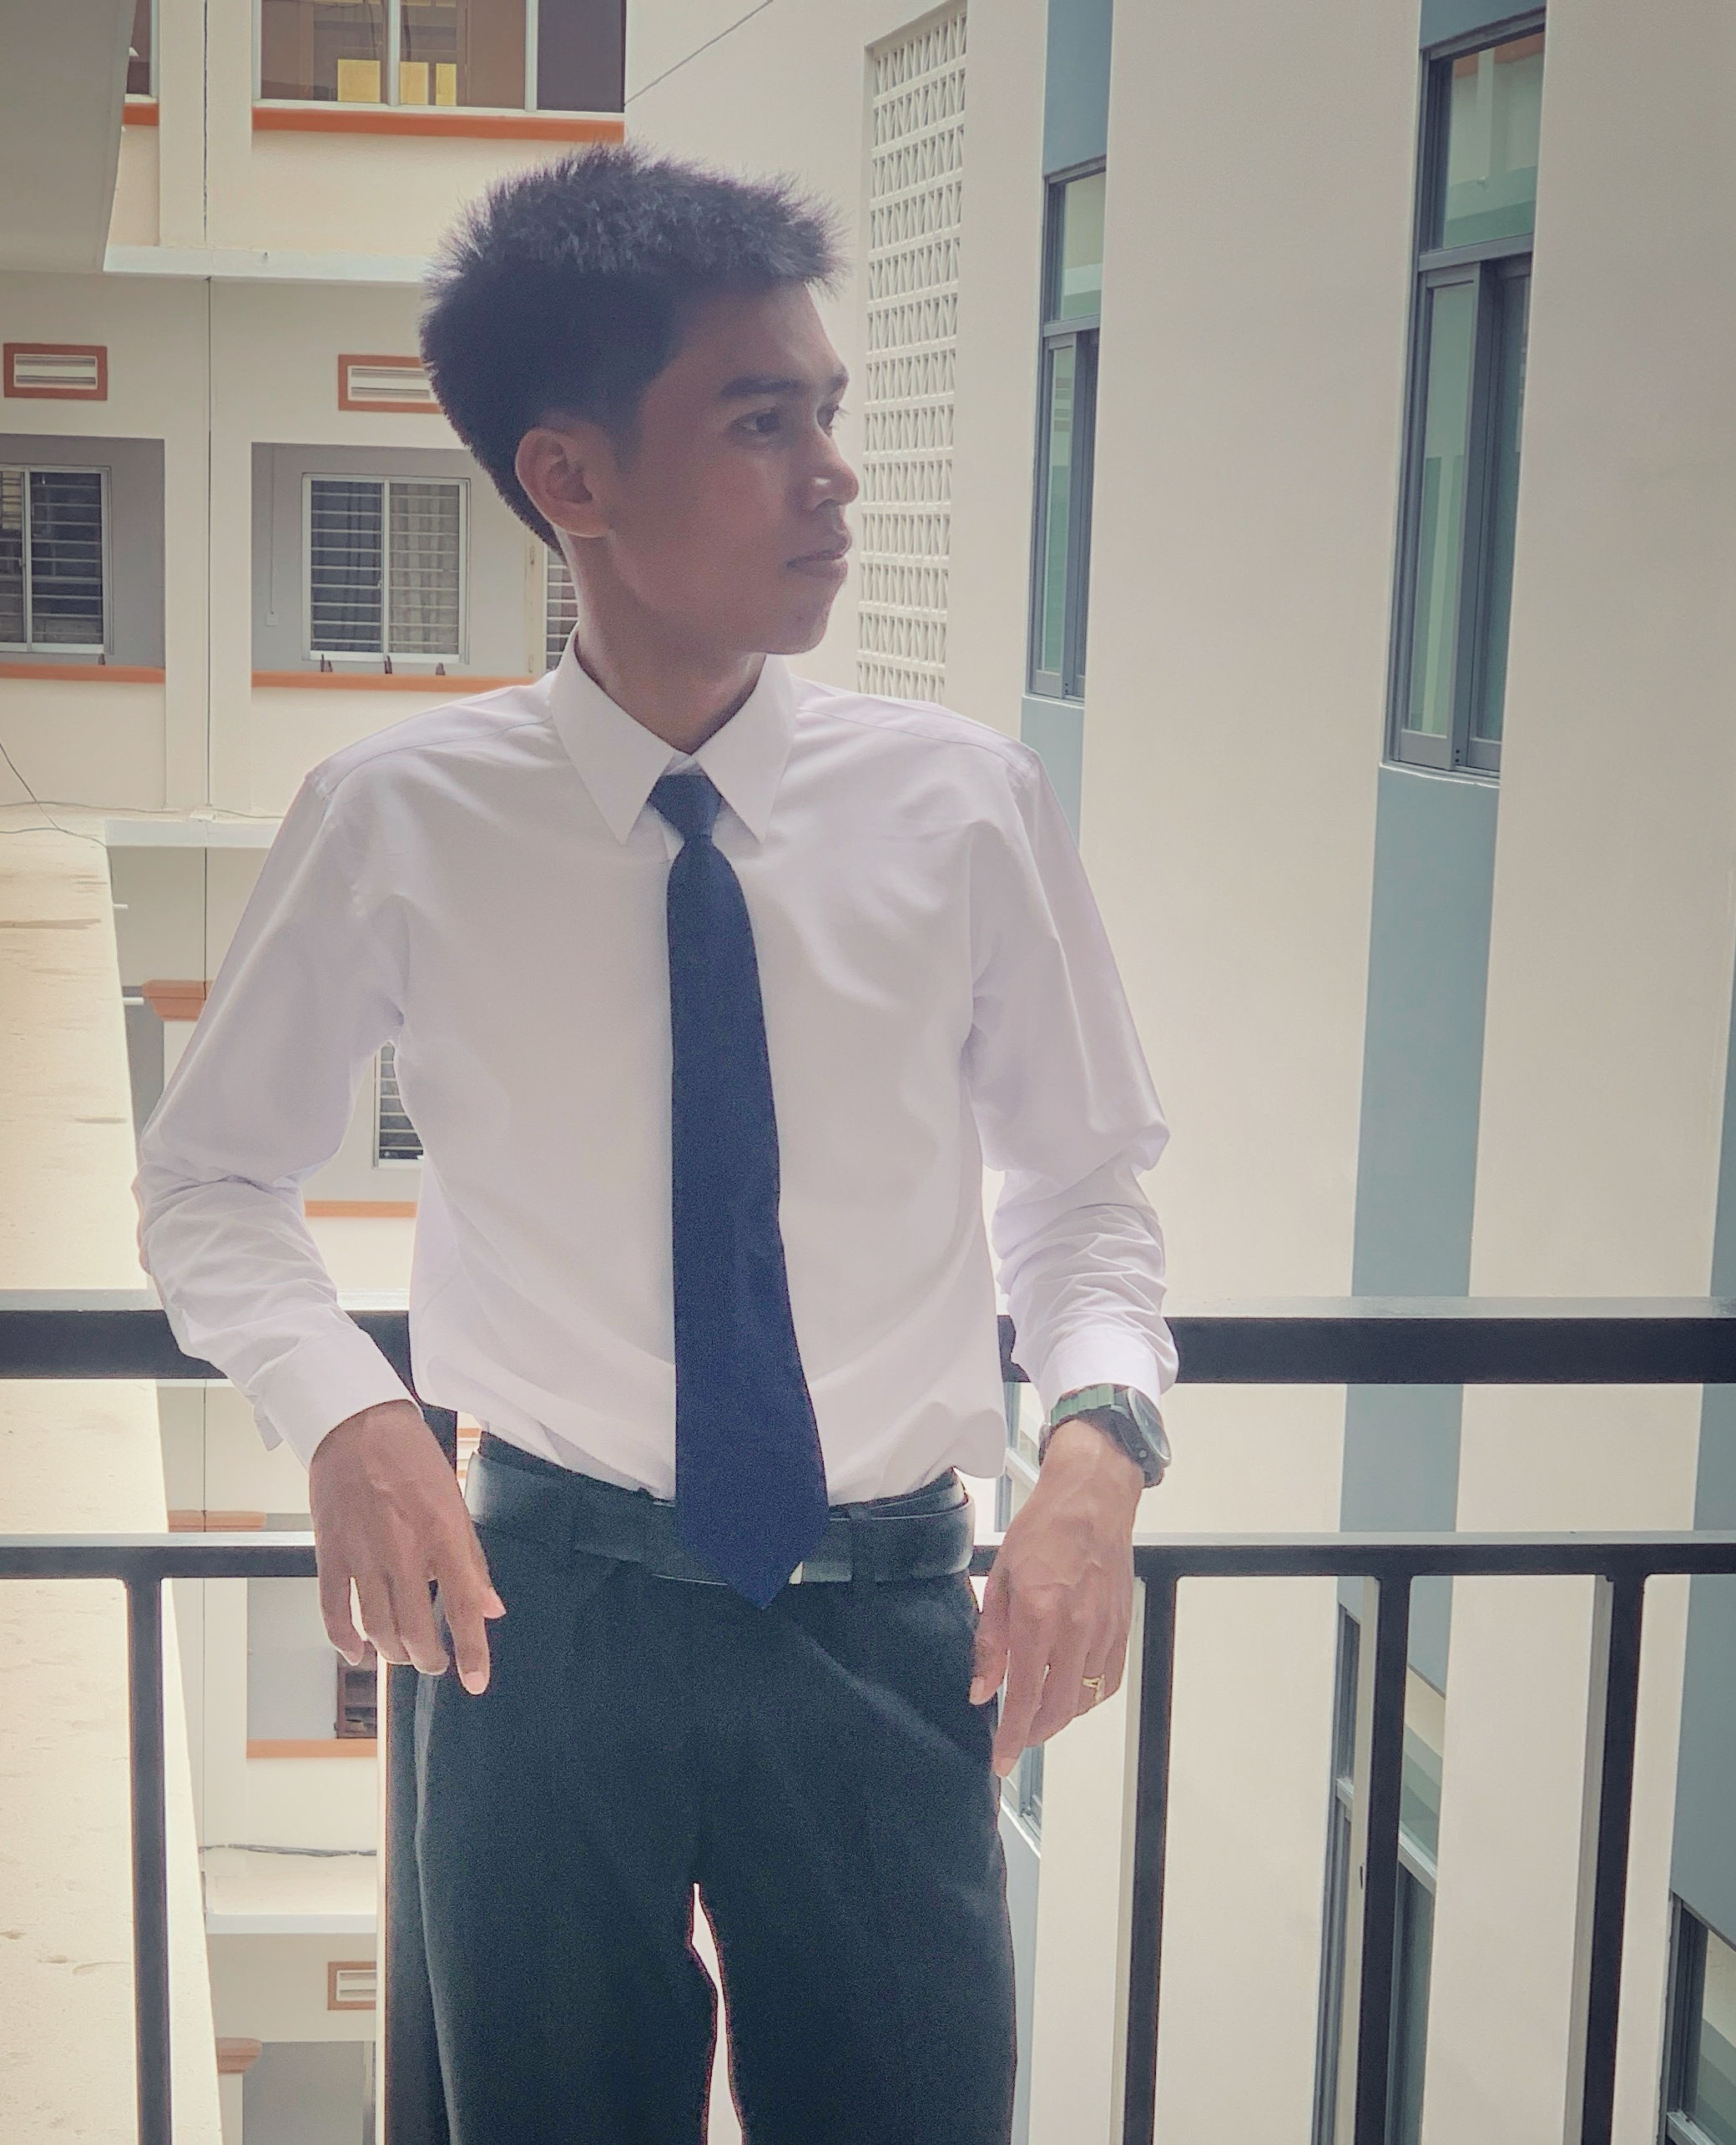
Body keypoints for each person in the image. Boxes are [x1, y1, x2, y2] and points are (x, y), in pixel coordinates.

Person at [135, 144, 1174, 2145]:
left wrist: (1096, 1448)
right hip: (536, 1623)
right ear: (573, 478)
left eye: (828, 413)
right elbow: (208, 1183)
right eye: (761, 421)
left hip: (882, 1615)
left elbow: (1081, 1191)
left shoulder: (963, 808)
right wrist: (349, 1412)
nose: (832, 477)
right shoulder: (395, 817)